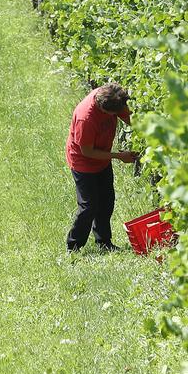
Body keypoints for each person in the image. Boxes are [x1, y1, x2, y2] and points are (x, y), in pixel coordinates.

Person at [65, 82, 138, 252]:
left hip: (102, 158)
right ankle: (73, 247)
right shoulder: (86, 118)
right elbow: (87, 151)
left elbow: (129, 118)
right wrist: (119, 156)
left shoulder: (113, 96)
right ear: (104, 111)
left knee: (106, 202)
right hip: (83, 162)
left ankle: (104, 243)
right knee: (89, 206)